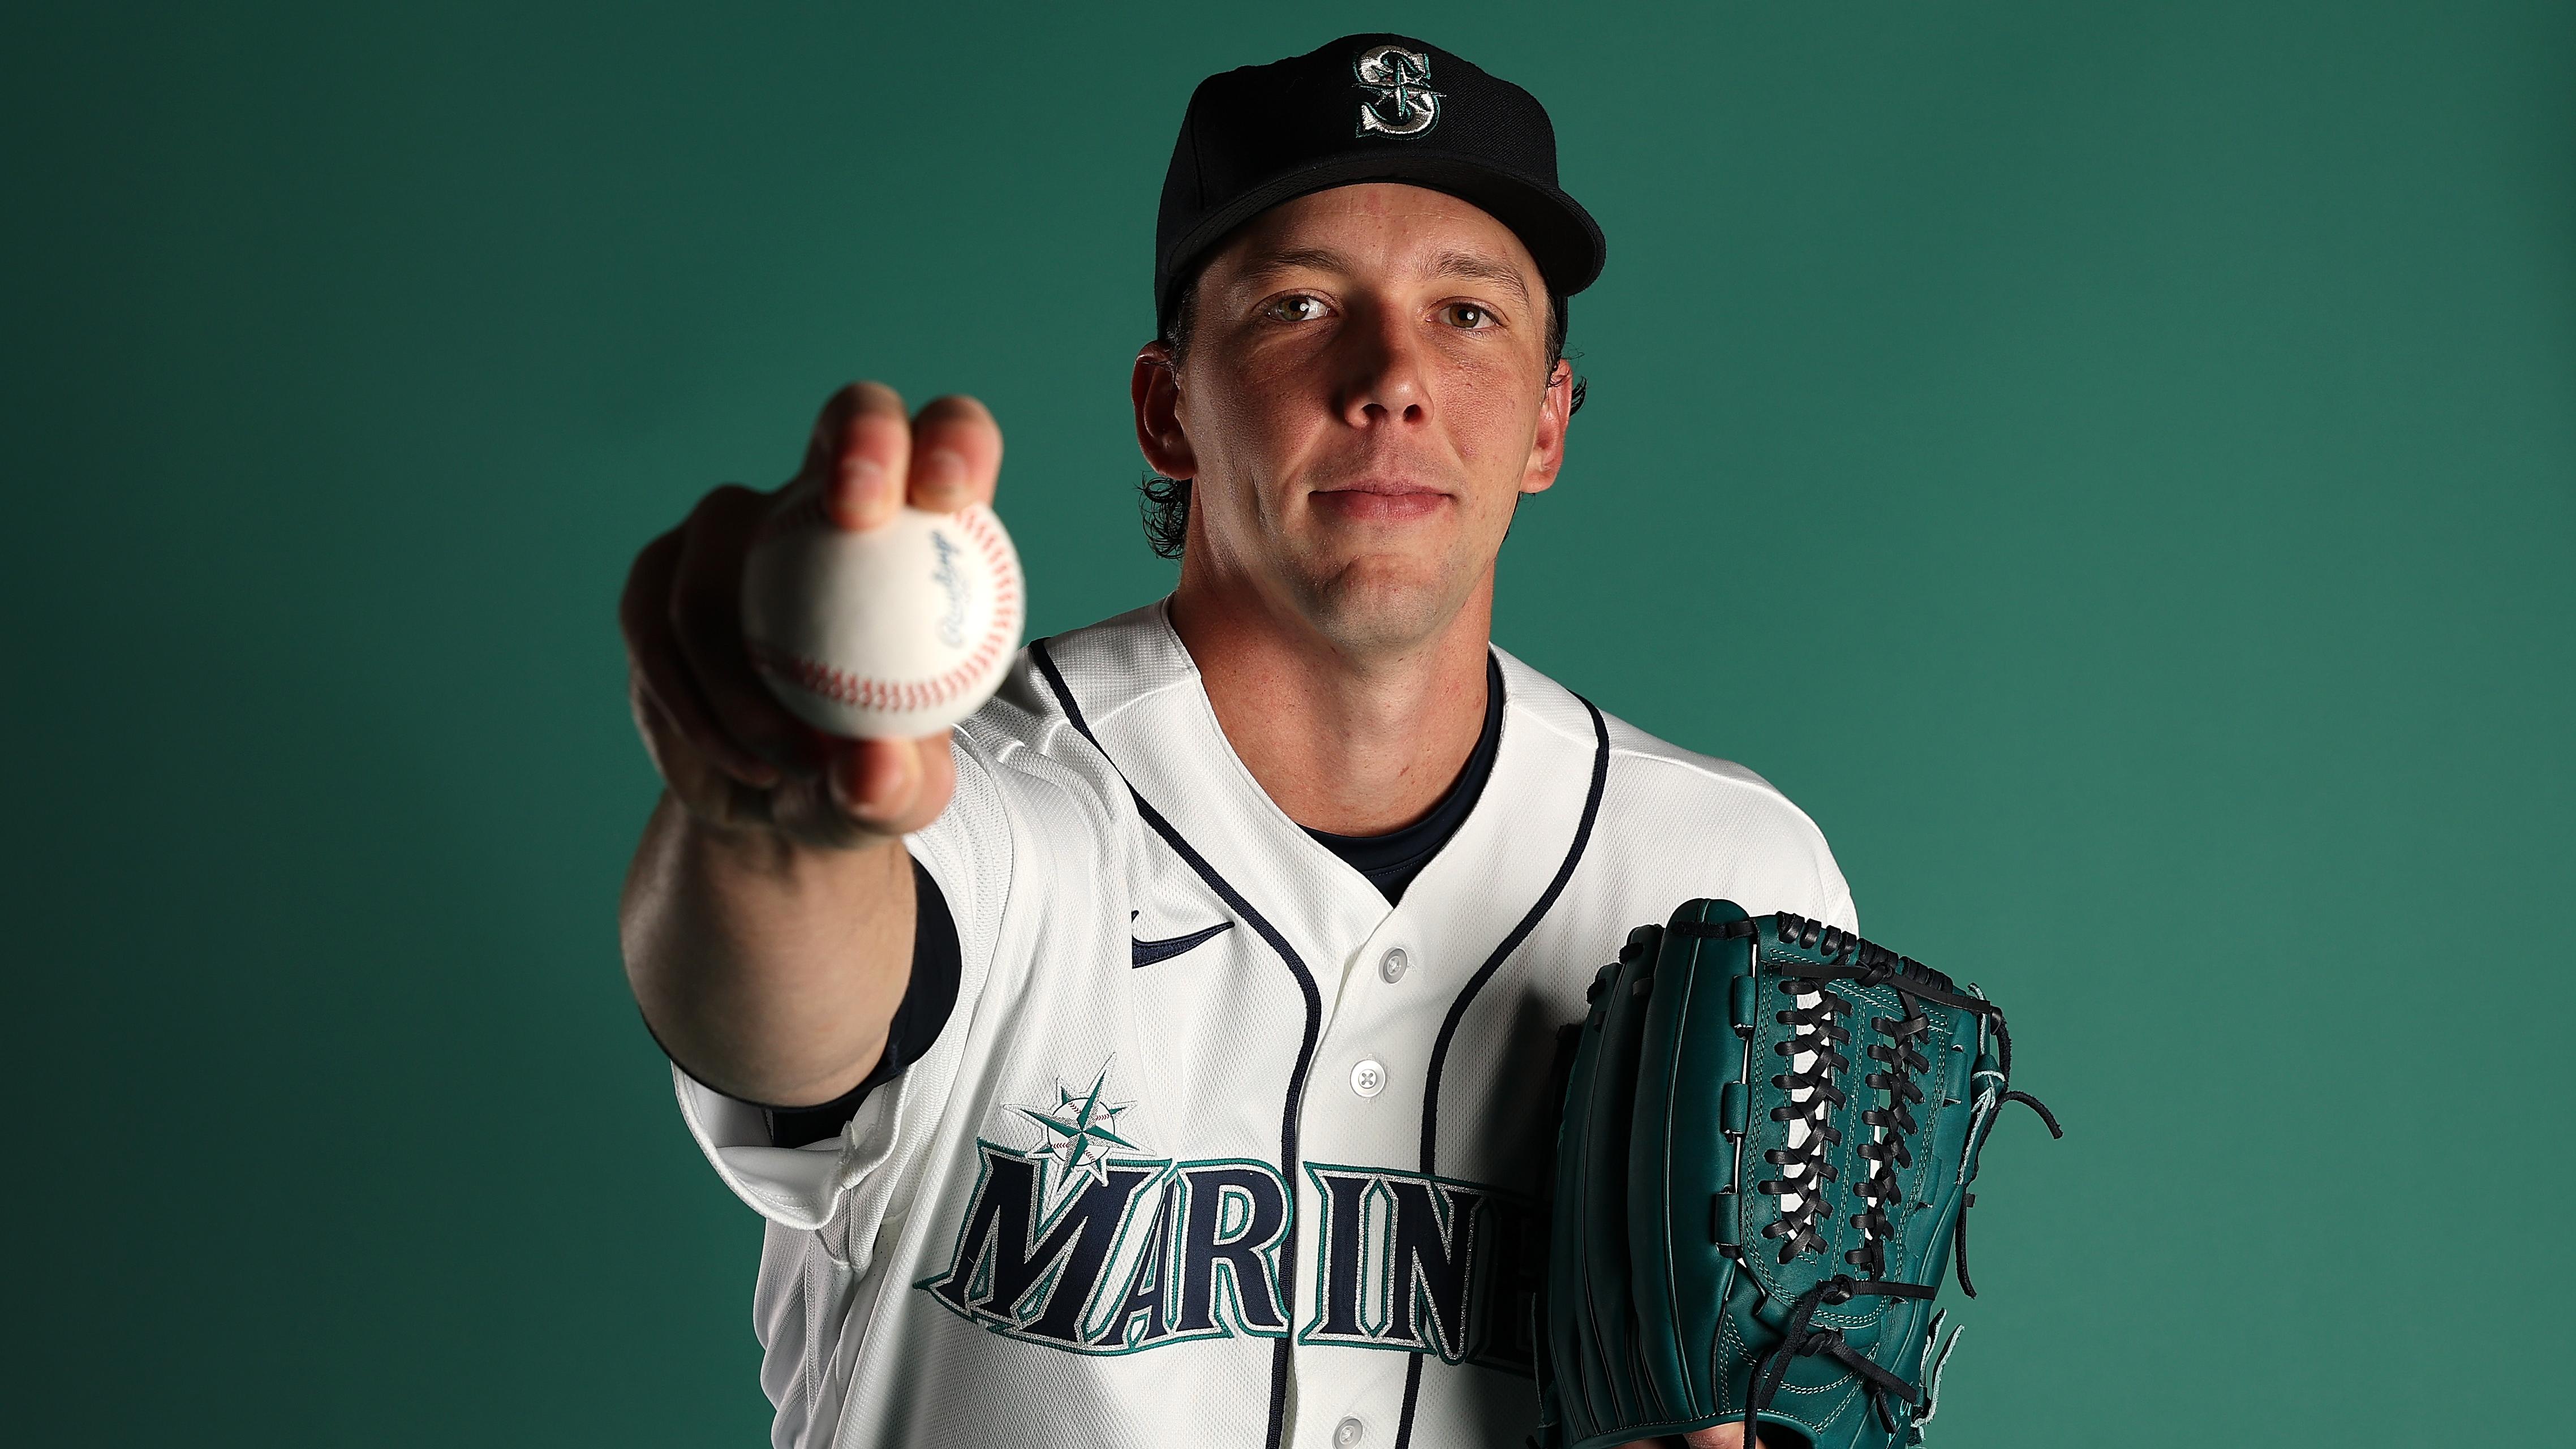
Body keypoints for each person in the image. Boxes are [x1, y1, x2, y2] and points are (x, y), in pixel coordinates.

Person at [618, 33, 1852, 1449]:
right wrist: (772, 828)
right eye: (1300, 304)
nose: (1392, 378)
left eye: (1468, 314)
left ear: (1546, 426)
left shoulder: (1727, 877)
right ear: (1170, 410)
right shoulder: (985, 804)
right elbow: (793, 1020)